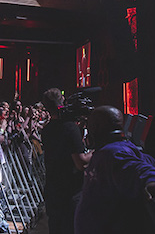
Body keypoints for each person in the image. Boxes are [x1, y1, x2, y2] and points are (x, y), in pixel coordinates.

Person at [74, 106, 155, 233]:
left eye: (89, 126)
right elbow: (145, 160)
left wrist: (151, 181)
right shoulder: (114, 150)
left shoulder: (112, 153)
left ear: (96, 128)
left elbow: (140, 168)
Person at [40, 88, 90, 234]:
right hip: (69, 192)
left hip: (53, 190)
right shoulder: (69, 128)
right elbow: (81, 163)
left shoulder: (47, 129)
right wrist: (99, 151)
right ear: (63, 102)